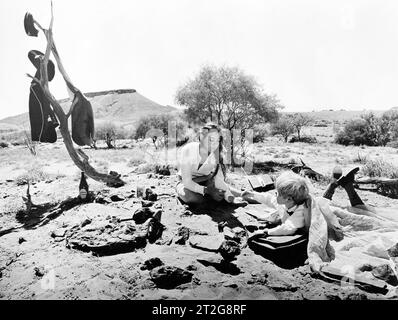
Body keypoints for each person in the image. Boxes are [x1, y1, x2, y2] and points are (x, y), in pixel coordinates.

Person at [176, 123, 241, 205]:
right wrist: (208, 191)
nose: (214, 144)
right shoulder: (188, 149)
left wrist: (228, 195)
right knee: (191, 198)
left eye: (217, 140)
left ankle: (229, 197)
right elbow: (187, 182)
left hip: (207, 180)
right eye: (211, 139)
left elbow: (219, 179)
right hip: (184, 182)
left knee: (230, 192)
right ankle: (211, 197)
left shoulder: (216, 156)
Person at [242, 171, 309, 236]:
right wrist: (253, 194)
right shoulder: (285, 203)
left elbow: (288, 229)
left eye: (278, 194)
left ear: (288, 199)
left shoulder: (300, 211)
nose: (275, 194)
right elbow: (269, 199)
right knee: (275, 217)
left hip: (301, 232)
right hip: (286, 220)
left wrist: (267, 231)